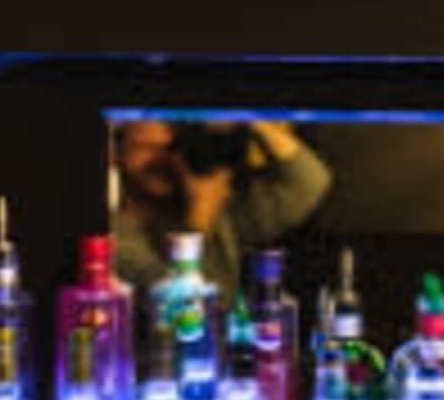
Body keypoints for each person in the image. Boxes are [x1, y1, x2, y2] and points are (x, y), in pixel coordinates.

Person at [110, 117, 332, 297]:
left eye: (172, 148)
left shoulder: (222, 214)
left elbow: (309, 182)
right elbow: (182, 311)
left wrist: (247, 120)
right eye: (147, 148)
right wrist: (199, 216)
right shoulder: (114, 234)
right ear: (115, 153)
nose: (163, 160)